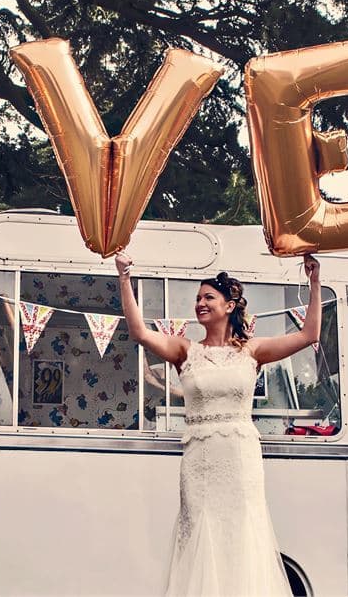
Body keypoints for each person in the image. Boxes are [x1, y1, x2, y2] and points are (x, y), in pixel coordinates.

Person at [115, 251, 320, 597]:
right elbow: (139, 332)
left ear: (229, 306)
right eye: (198, 298)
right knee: (201, 531)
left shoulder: (252, 351)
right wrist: (125, 278)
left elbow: (309, 334)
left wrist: (314, 281)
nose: (200, 303)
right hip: (200, 461)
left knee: (241, 533)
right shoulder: (185, 350)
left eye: (208, 297)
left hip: (240, 458)